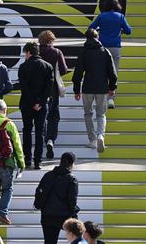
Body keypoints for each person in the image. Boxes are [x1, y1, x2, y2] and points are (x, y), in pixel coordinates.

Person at [71, 29, 117, 153]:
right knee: (101, 114)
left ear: (86, 38)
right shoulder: (105, 51)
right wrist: (112, 87)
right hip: (102, 88)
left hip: (87, 88)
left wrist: (76, 90)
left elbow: (78, 73)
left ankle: (92, 140)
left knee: (88, 113)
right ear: (97, 37)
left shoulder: (84, 52)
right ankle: (100, 135)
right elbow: (112, 73)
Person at [88, 0, 132, 109]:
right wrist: (120, 30)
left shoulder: (102, 16)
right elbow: (128, 31)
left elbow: (90, 28)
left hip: (102, 47)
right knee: (114, 72)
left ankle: (100, 98)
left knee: (101, 71)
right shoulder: (120, 16)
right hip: (115, 47)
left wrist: (98, 31)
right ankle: (111, 99)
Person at [17, 41, 54, 170]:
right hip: (42, 106)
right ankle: (38, 161)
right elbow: (49, 87)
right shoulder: (48, 66)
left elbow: (24, 88)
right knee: (40, 132)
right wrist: (40, 102)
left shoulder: (23, 67)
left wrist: (33, 102)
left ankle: (27, 159)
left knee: (27, 130)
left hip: (27, 104)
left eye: (25, 54)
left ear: (28, 52)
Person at [36, 152, 80, 244]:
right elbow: (72, 200)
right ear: (71, 164)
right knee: (77, 239)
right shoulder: (71, 179)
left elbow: (39, 192)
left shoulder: (48, 175)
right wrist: (74, 214)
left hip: (47, 215)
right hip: (64, 216)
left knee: (49, 242)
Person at [37, 30, 68, 159]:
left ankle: (42, 138)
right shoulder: (56, 52)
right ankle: (50, 140)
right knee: (53, 115)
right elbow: (64, 70)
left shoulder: (36, 52)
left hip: (38, 89)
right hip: (52, 89)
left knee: (41, 115)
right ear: (51, 40)